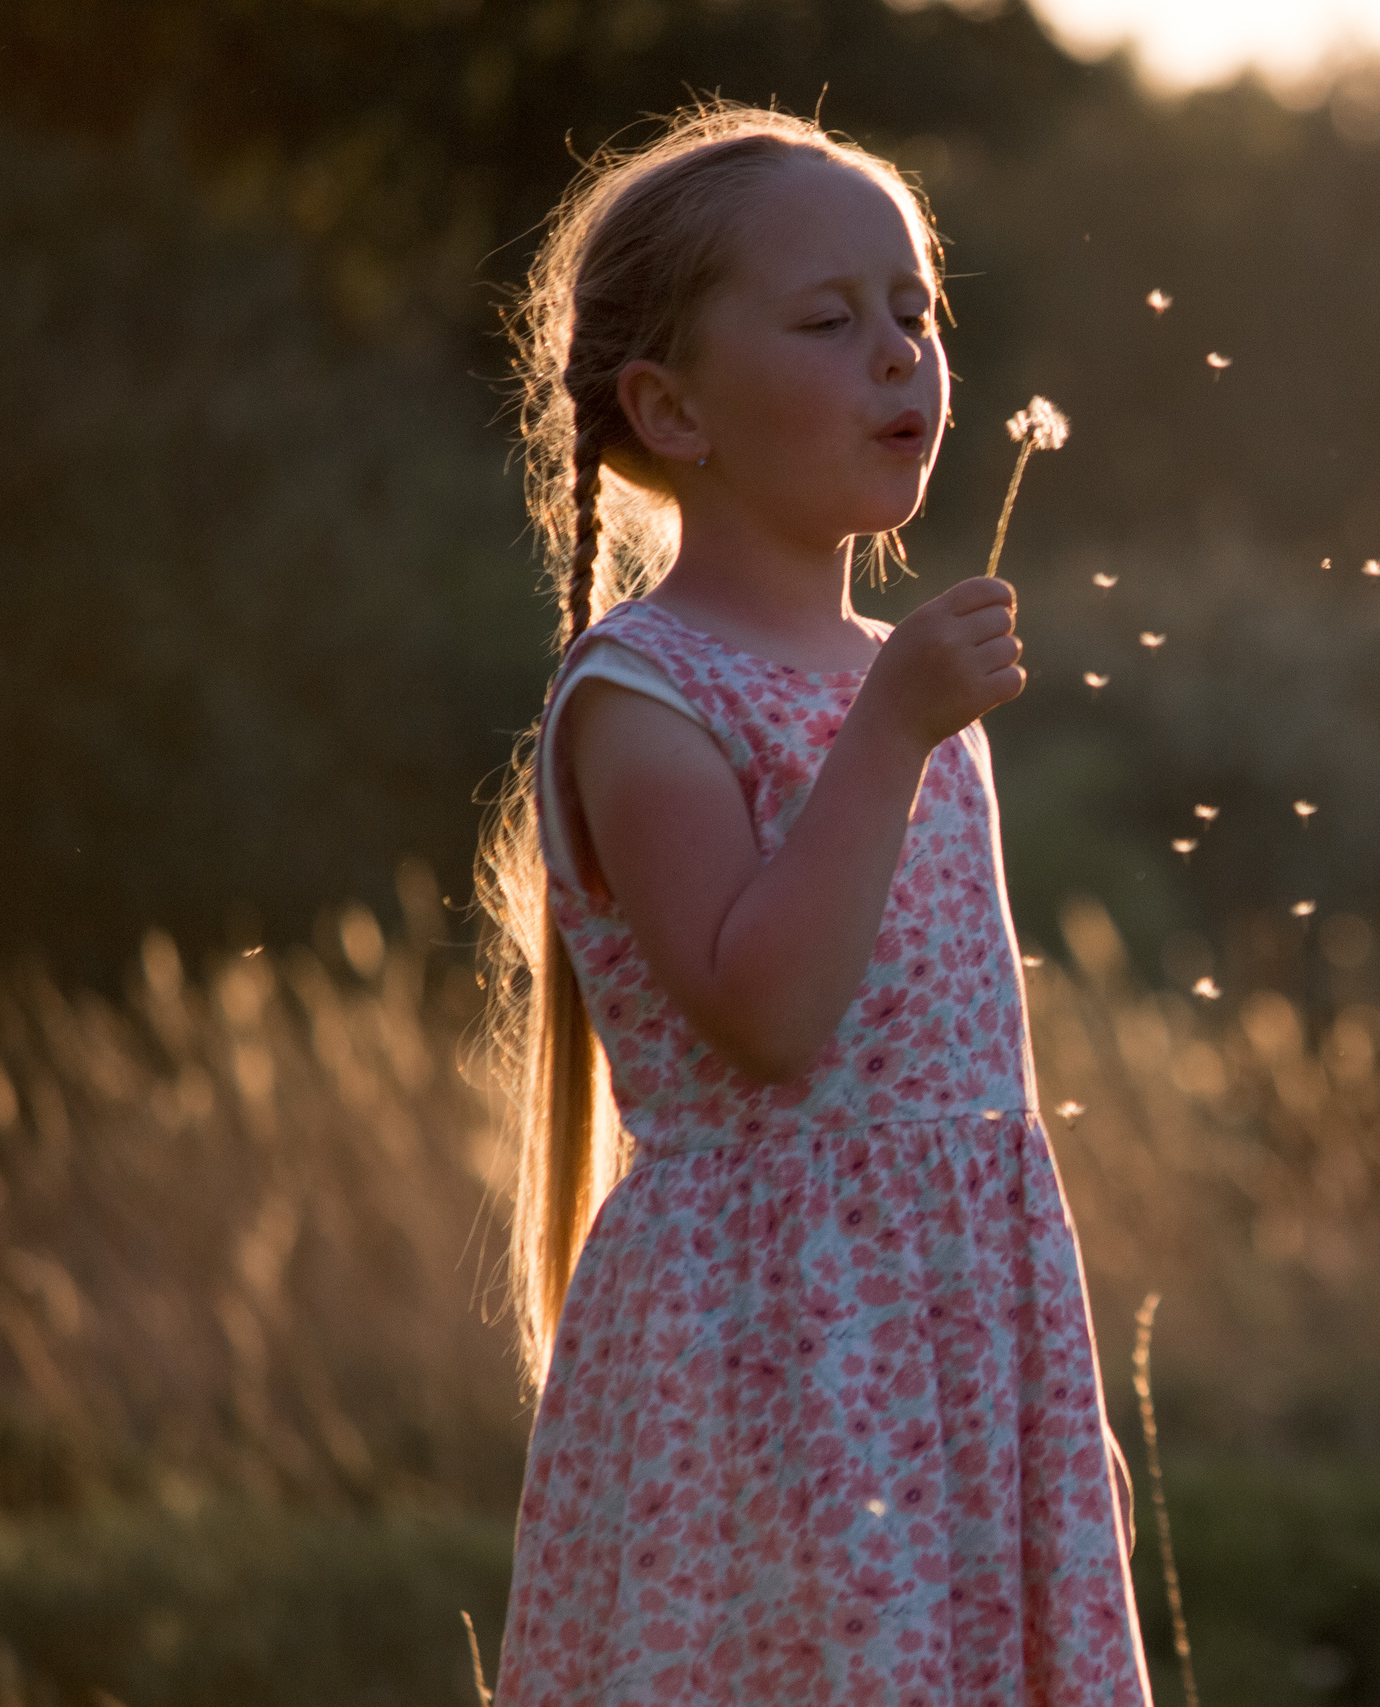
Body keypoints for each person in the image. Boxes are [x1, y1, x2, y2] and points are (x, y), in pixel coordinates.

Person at [475, 103, 1151, 1706]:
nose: (900, 355)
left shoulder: (873, 678)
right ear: (672, 409)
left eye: (916, 313)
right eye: (830, 321)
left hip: (954, 1326)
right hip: (776, 1353)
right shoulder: (642, 693)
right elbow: (768, 1018)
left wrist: (1034, 1411)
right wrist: (896, 733)